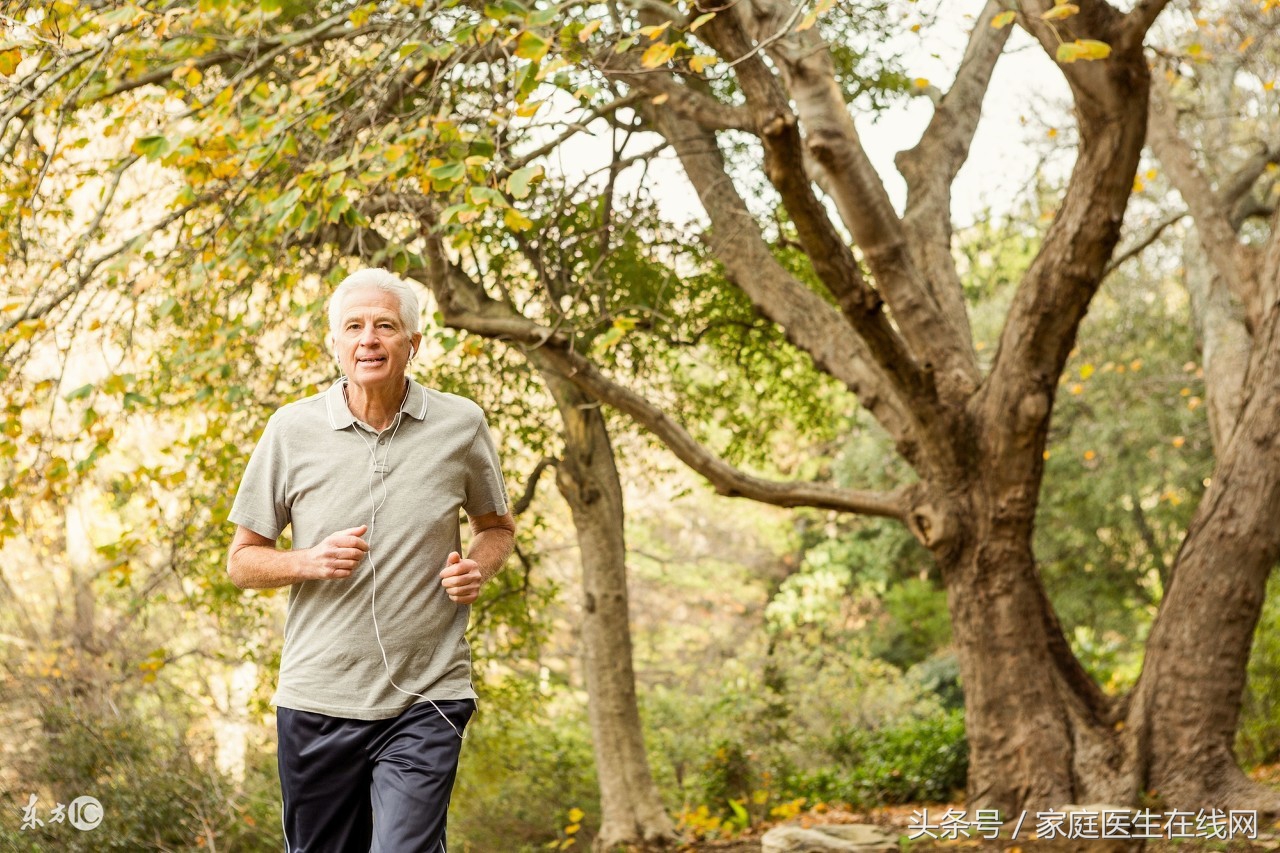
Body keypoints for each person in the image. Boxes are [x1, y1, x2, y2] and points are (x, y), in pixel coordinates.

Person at [227, 268, 515, 852]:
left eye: (385, 326)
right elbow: (242, 562)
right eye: (353, 327)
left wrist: (478, 568)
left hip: (427, 694)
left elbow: (497, 528)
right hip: (318, 699)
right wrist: (308, 561)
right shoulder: (292, 430)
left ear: (413, 342)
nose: (369, 339)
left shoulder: (460, 424)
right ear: (334, 344)